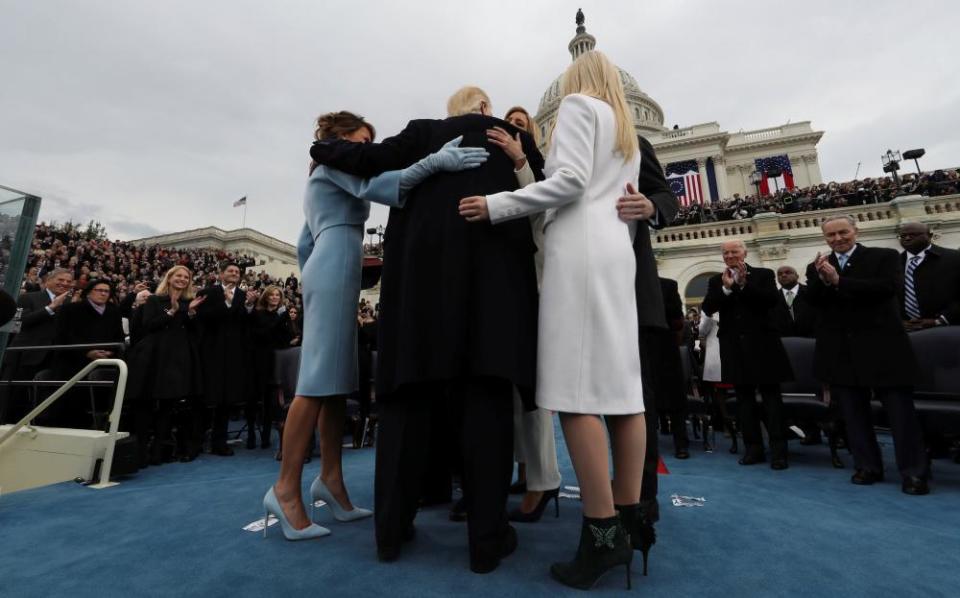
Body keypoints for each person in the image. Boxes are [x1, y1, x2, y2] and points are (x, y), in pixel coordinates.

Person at [310, 89, 542, 572]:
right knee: (485, 400)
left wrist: (321, 147)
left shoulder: (421, 132)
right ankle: (486, 541)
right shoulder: (513, 137)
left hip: (418, 289)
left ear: (449, 110)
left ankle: (390, 534)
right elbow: (546, 187)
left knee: (405, 402)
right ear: (484, 110)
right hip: (492, 288)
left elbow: (362, 157)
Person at [459, 51, 645, 590]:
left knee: (574, 394)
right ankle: (631, 520)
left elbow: (567, 183)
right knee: (624, 393)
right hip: (615, 252)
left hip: (581, 252)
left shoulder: (577, 105)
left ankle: (602, 532)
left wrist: (498, 204)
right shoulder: (624, 127)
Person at [265, 109, 490, 543]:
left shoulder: (324, 171)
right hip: (335, 264)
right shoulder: (335, 164)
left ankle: (331, 481)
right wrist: (435, 162)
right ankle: (285, 488)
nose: (368, 148)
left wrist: (313, 275)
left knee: (334, 385)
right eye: (361, 140)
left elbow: (302, 241)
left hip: (334, 264)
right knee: (314, 384)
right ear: (341, 138)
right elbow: (379, 188)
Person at [804, 215, 930, 494]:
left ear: (855, 231)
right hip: (841, 352)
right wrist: (824, 281)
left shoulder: (884, 257)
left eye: (842, 233)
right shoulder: (817, 267)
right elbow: (811, 302)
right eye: (831, 236)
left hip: (883, 349)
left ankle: (913, 473)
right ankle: (868, 466)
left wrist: (839, 281)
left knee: (901, 416)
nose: (837, 239)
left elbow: (887, 290)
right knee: (853, 415)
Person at [486, 105, 562, 523]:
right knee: (515, 392)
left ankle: (544, 479)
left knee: (534, 394)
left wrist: (519, 160)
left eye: (520, 126)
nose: (511, 130)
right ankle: (527, 470)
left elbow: (535, 209)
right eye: (507, 124)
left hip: (536, 290)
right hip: (509, 291)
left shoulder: (537, 173)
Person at [701, 240, 793, 469]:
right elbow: (708, 308)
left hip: (763, 345)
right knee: (744, 400)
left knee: (772, 399)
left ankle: (779, 451)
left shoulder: (763, 274)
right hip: (734, 347)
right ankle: (753, 449)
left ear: (744, 253)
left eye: (734, 251)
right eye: (726, 253)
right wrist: (726, 288)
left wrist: (742, 286)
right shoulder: (716, 280)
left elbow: (770, 301)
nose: (730, 255)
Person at [126, 266, 205, 464]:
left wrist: (192, 313)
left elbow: (196, 332)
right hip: (153, 356)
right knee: (146, 403)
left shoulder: (190, 302)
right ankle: (142, 451)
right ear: (169, 278)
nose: (182, 279)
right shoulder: (154, 299)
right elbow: (149, 325)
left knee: (168, 405)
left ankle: (158, 451)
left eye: (186, 277)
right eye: (178, 275)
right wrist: (172, 311)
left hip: (178, 358)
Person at [196, 261, 258, 456]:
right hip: (210, 352)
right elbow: (203, 317)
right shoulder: (209, 292)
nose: (234, 273)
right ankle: (195, 442)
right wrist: (227, 304)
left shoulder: (243, 295)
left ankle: (219, 443)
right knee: (204, 398)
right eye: (230, 271)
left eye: (237, 272)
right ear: (221, 273)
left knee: (225, 400)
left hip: (233, 355)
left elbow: (244, 323)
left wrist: (248, 306)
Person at [1, 268, 74, 423]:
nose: (65, 283)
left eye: (68, 281)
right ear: (48, 281)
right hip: (25, 356)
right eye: (61, 280)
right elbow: (17, 324)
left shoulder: (70, 304)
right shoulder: (27, 297)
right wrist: (50, 308)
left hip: (54, 358)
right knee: (13, 398)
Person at [50, 278, 126, 428]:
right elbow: (62, 337)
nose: (103, 294)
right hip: (72, 363)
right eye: (99, 290)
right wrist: (87, 352)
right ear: (89, 292)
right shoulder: (70, 310)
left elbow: (119, 337)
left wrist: (109, 352)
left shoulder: (113, 311)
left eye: (106, 291)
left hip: (105, 362)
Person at [248, 285, 294, 450]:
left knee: (270, 401)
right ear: (266, 297)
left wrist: (284, 319)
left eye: (277, 295)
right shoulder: (258, 313)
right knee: (254, 398)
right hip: (258, 360)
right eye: (272, 295)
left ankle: (266, 436)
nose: (275, 297)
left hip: (276, 360)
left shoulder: (283, 315)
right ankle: (251, 435)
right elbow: (261, 334)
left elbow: (288, 336)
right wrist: (279, 320)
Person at [896, 222, 960, 330]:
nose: (907, 238)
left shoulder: (954, 258)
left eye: (913, 235)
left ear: (930, 236)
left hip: (949, 329)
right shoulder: (894, 263)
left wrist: (940, 320)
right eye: (902, 236)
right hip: (908, 332)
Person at [770, 265, 817, 338]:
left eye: (788, 272)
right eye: (780, 274)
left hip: (812, 341)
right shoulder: (773, 298)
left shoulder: (811, 292)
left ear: (797, 276)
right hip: (785, 343)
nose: (783, 275)